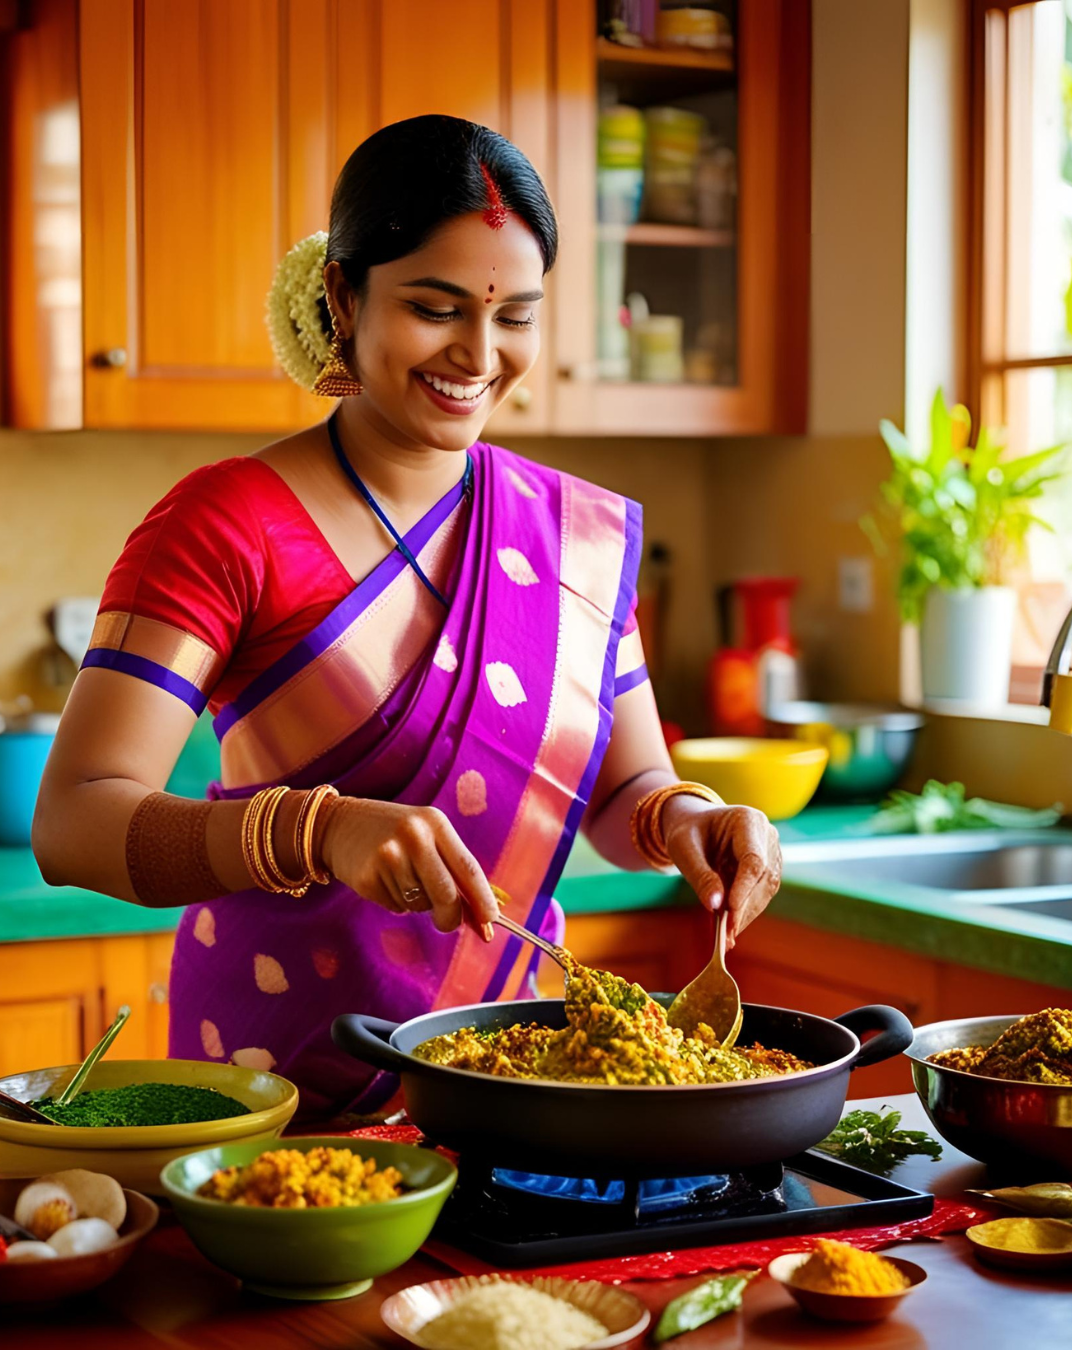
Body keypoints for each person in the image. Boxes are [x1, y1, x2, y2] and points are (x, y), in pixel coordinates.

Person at [33, 116, 782, 1118]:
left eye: (516, 315)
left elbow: (624, 792)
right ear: (343, 297)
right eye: (435, 308)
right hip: (277, 1082)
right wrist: (317, 830)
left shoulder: (575, 539)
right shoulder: (227, 524)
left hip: (508, 1076)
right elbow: (74, 820)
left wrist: (689, 821)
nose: (479, 353)